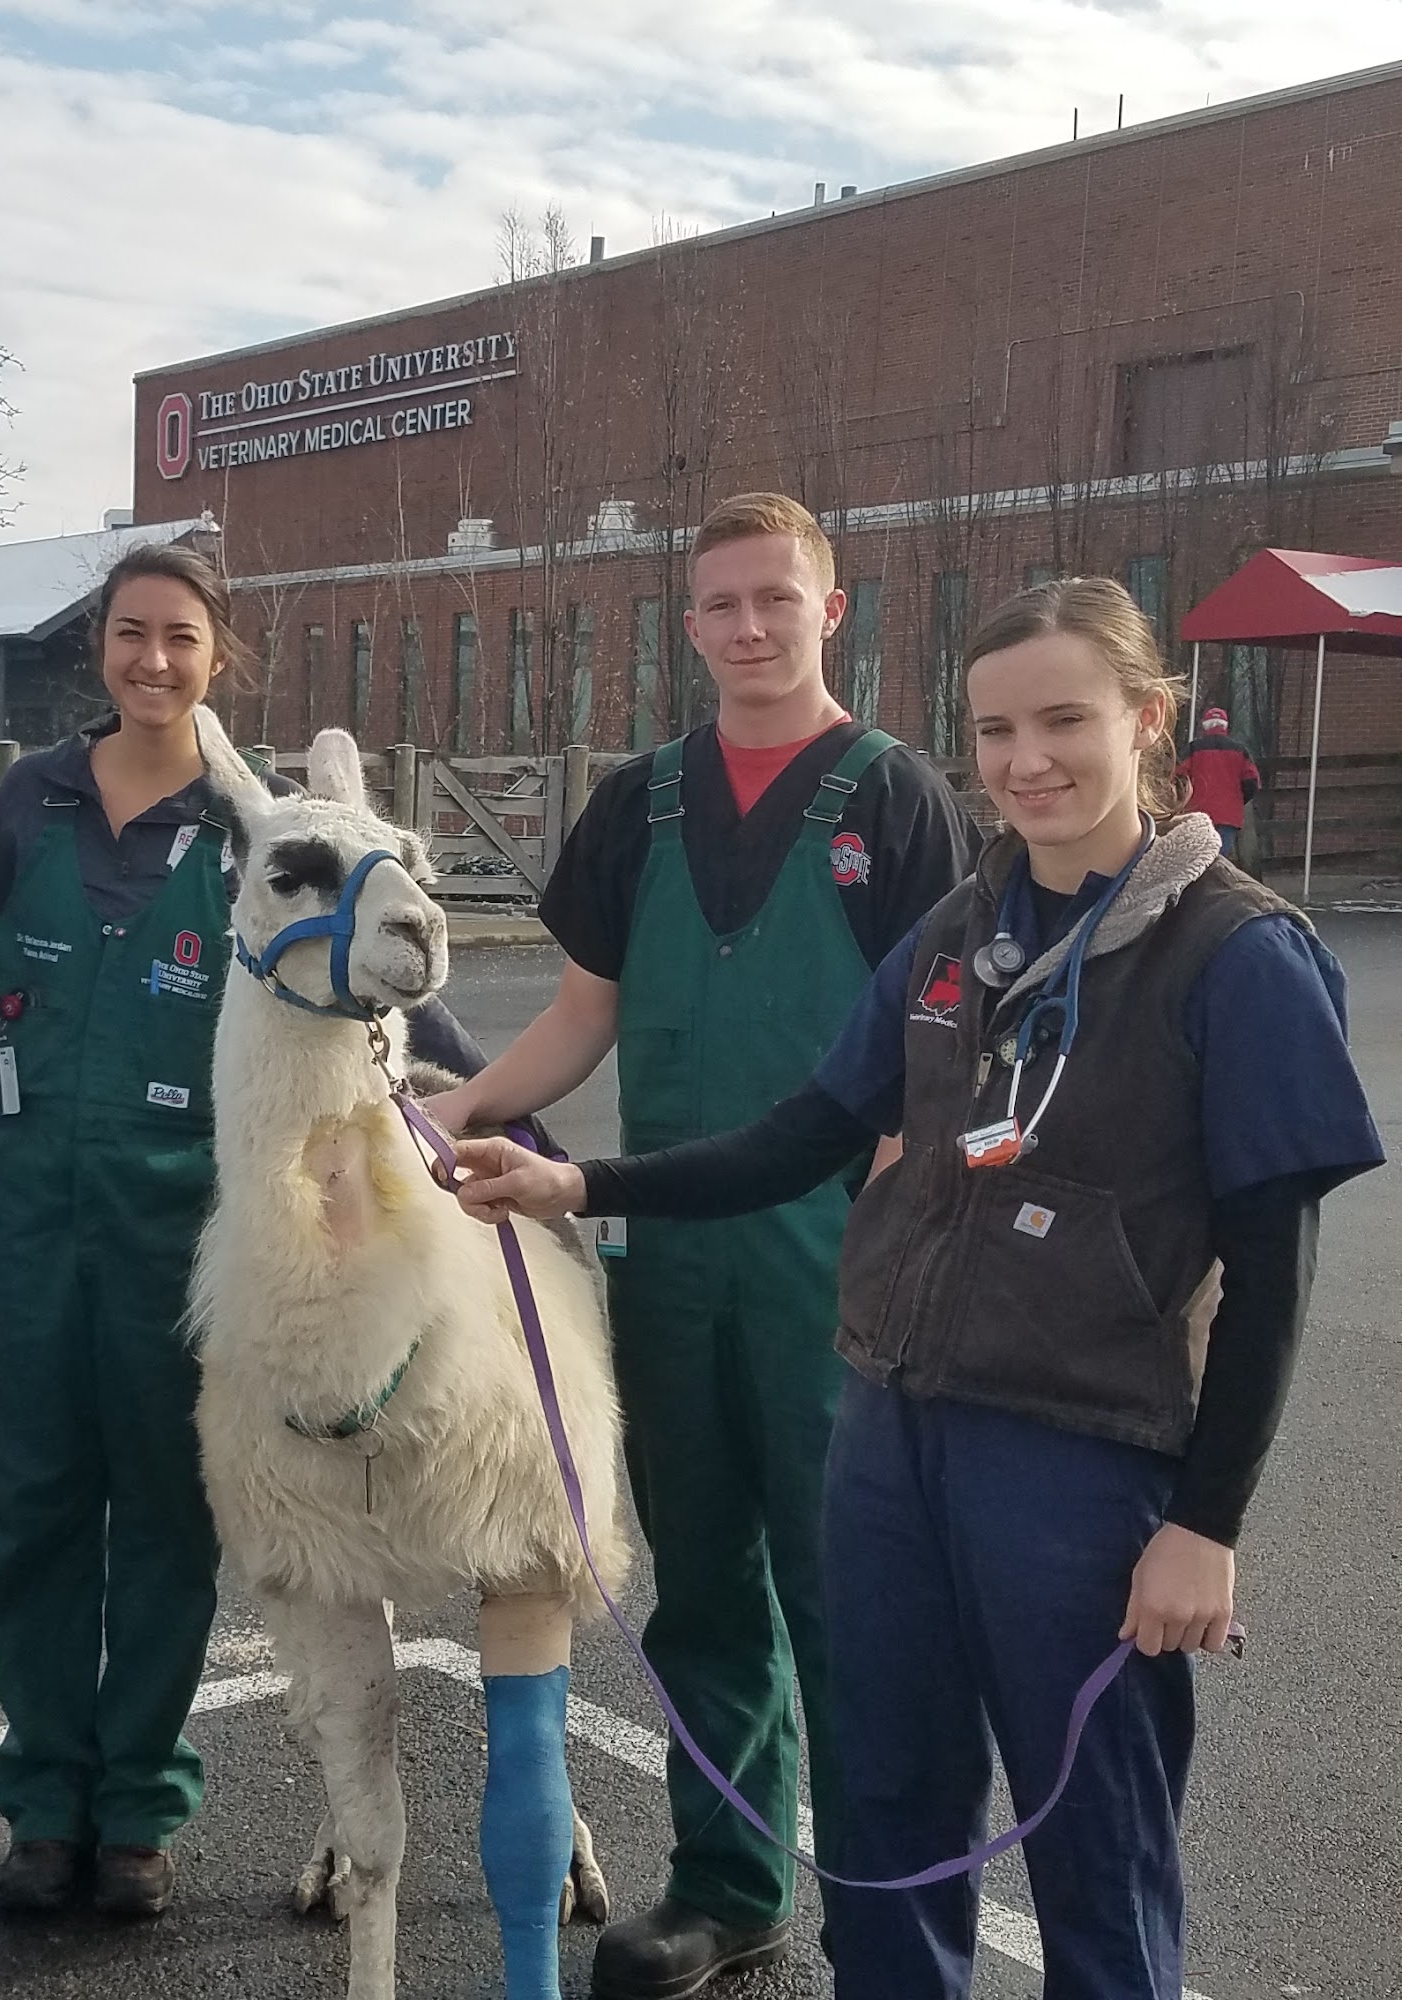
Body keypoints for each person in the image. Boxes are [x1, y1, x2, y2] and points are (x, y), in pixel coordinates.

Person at [453, 577, 1384, 2000]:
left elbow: (1272, 1271)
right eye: (995, 730)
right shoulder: (957, 932)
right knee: (885, 1813)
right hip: (889, 1433)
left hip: (1078, 1460)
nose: (1027, 760)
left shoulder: (1239, 956)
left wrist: (1205, 1525)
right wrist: (585, 1185)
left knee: (1096, 1845)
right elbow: (805, 1134)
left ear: (1147, 720)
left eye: (1065, 719)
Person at [423, 493, 979, 1997]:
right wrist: (448, 1104)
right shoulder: (642, 802)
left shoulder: (894, 798)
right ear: (690, 624)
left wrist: (882, 1222)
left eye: (775, 602)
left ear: (831, 610)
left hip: (830, 1262)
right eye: (721, 605)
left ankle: (883, 1914)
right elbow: (579, 1019)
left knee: (845, 1593)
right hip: (662, 1252)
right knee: (704, 1587)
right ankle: (729, 1887)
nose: (749, 628)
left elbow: (939, 1058)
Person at [0, 542, 491, 1922]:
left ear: (214, 655)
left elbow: (375, 992)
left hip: (185, 1226)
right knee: (23, 1510)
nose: (152, 659)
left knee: (168, 1517)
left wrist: (493, 1113)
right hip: (31, 1206)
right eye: (130, 633)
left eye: (180, 637)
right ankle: (44, 1801)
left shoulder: (260, 825)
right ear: (98, 647)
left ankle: (137, 1813)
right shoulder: (33, 800)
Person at [1175, 705, 1261, 858]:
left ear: (1205, 725)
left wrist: (1183, 802)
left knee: (1197, 859)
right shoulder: (1240, 751)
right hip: (1228, 815)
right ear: (1225, 725)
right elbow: (1252, 781)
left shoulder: (1193, 749)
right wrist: (1238, 800)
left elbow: (1178, 777)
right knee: (1218, 859)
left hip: (1197, 813)